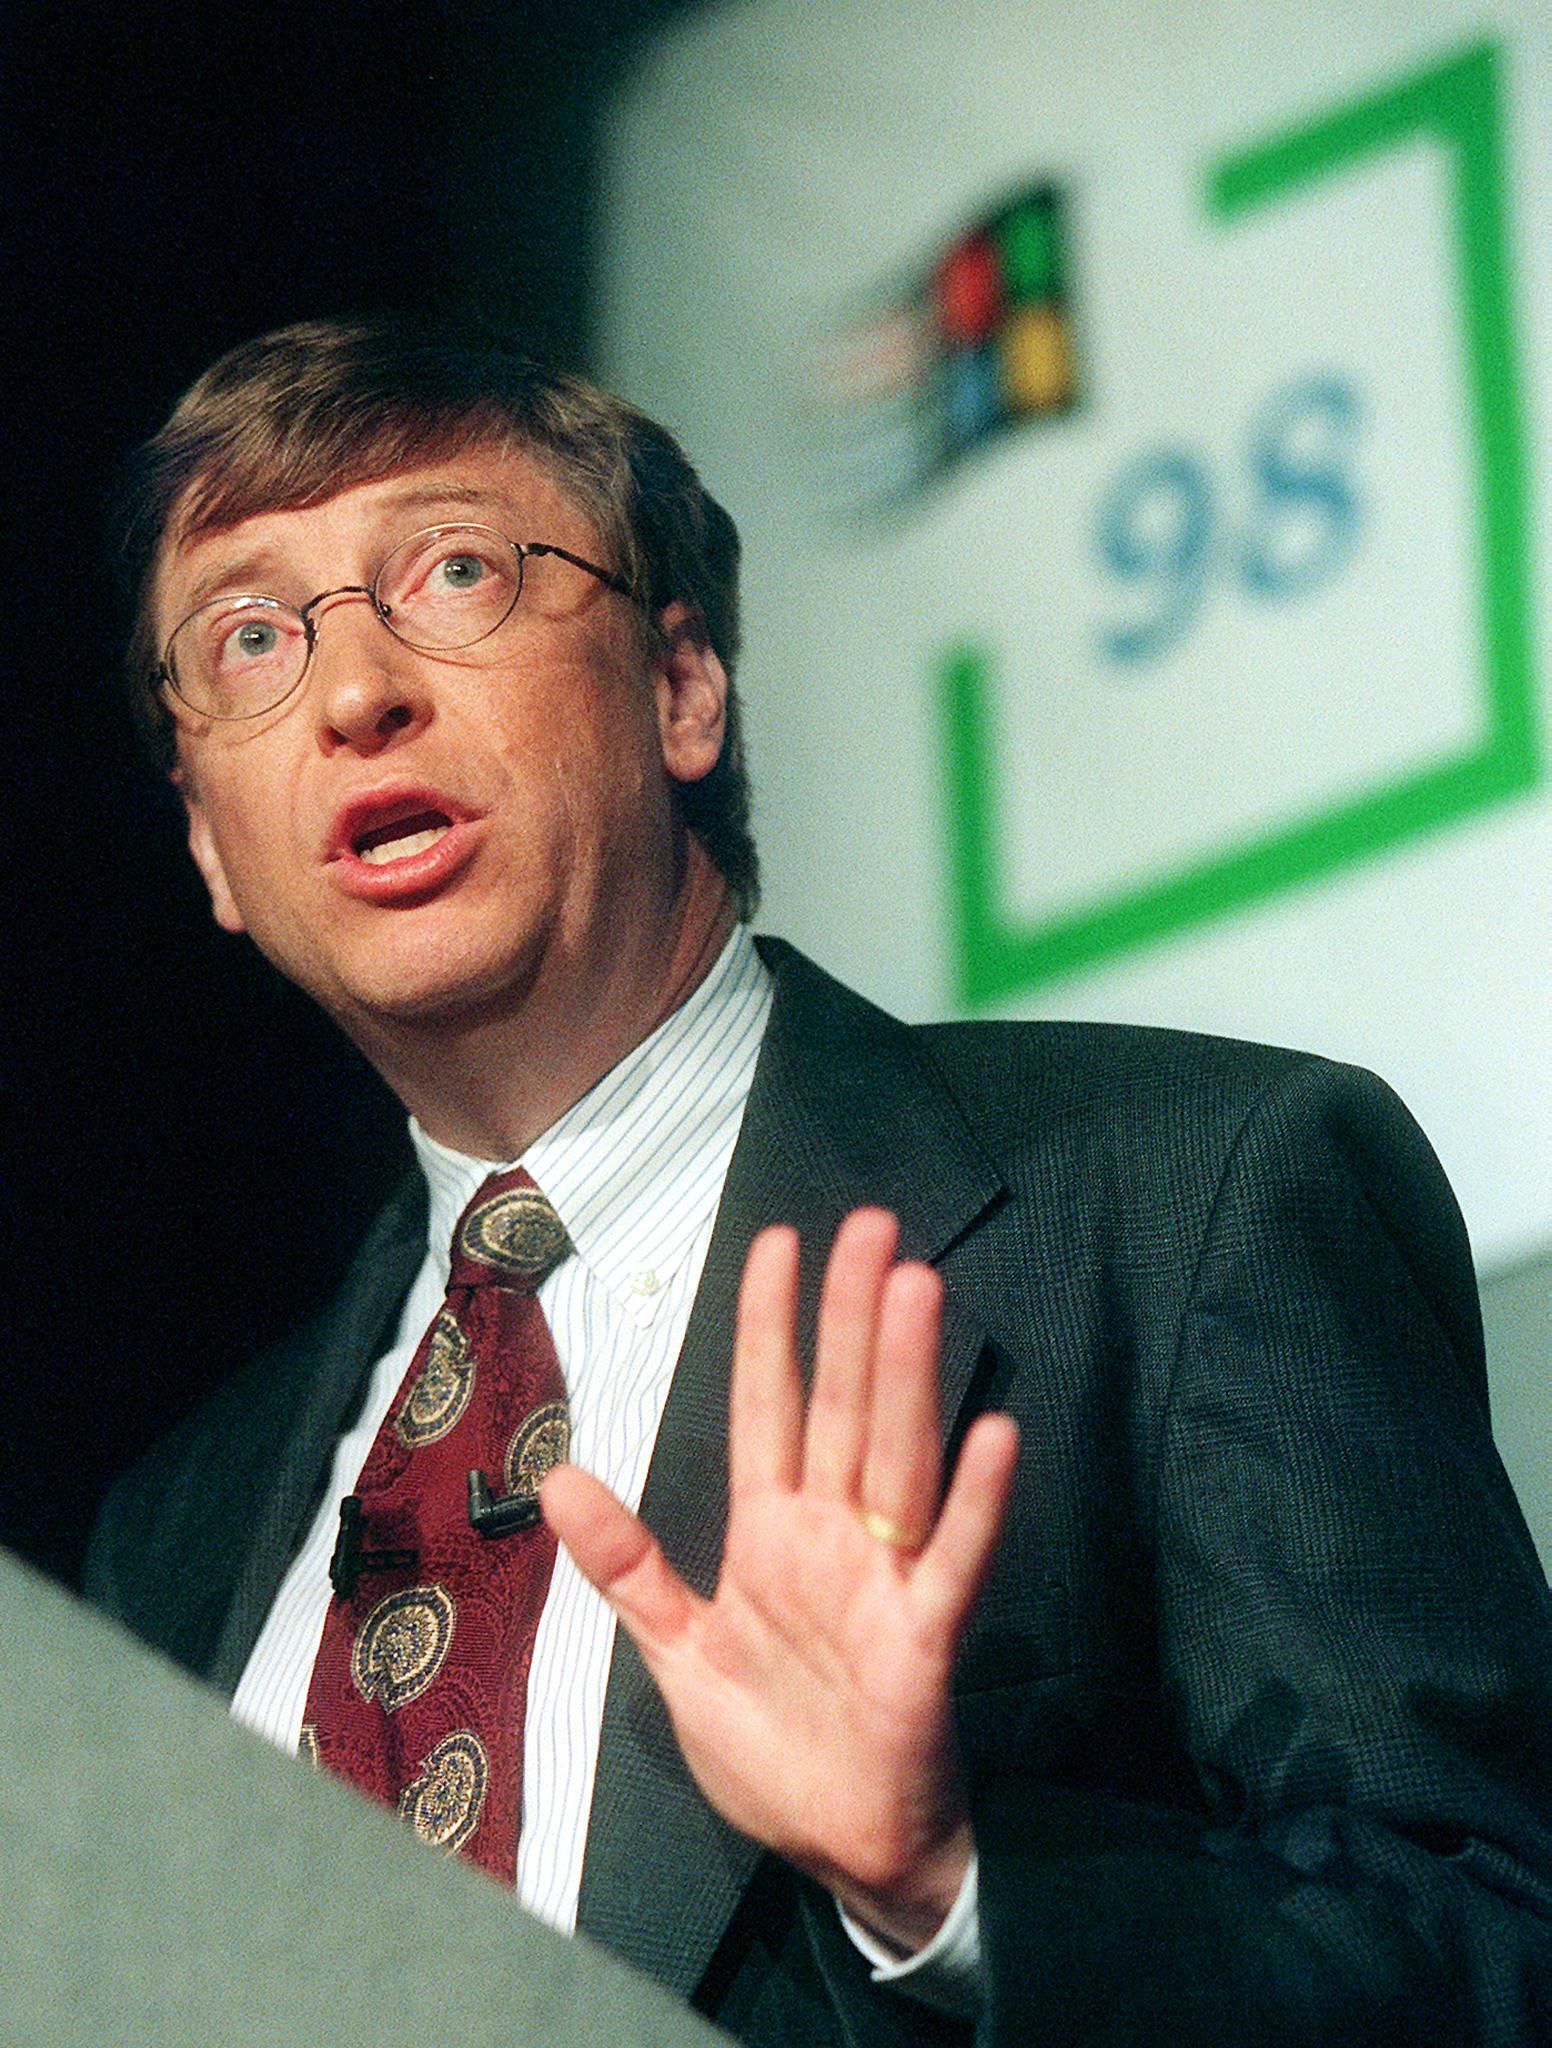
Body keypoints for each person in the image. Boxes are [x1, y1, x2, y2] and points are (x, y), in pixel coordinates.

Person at [88, 316, 1552, 2046]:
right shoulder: (169, 1541)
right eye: (249, 635)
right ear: (207, 845)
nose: (353, 693)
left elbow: (1490, 1956)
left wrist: (949, 1888)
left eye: (456, 572)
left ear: (680, 686)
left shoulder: (1196, 1198)